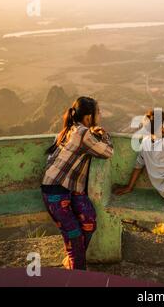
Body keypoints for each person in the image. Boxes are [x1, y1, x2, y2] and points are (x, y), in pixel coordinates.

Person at [41, 96, 113, 270]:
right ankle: (77, 273)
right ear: (89, 117)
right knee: (74, 236)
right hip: (55, 191)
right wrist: (104, 134)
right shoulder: (82, 133)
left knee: (89, 221)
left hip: (71, 190)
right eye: (98, 112)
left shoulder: (73, 129)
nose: (100, 115)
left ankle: (73, 260)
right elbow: (108, 152)